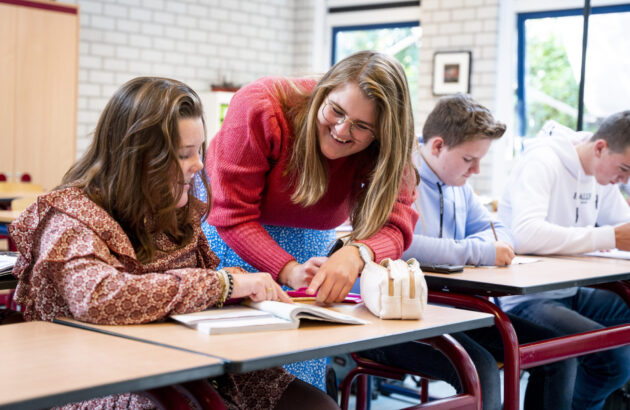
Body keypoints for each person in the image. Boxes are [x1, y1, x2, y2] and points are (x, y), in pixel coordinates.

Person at [9, 77, 337, 410]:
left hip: (184, 366)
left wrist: (245, 292)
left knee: (314, 405)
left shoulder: (174, 212)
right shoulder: (70, 215)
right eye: (183, 155)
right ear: (135, 158)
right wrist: (223, 284)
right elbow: (99, 296)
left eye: (198, 151)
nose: (198, 165)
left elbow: (192, 293)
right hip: (99, 377)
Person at [203, 50, 419, 388]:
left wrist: (355, 253)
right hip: (231, 243)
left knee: (296, 378)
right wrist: (287, 269)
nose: (342, 130)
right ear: (324, 90)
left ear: (382, 134)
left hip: (311, 254)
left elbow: (397, 221)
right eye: (335, 110)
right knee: (233, 373)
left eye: (362, 127)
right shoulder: (261, 105)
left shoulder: (391, 146)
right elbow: (231, 215)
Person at [359, 94, 576, 410]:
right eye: (468, 159)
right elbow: (402, 245)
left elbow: (499, 231)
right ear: (437, 146)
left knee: (558, 353)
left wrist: (484, 247)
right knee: (481, 368)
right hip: (394, 317)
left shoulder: (460, 185)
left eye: (480, 160)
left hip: (453, 310)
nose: (475, 170)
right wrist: (480, 252)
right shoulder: (398, 177)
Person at [498, 112, 630, 410]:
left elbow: (624, 227)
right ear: (600, 148)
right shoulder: (543, 161)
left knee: (614, 357)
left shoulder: (603, 176)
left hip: (569, 292)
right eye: (623, 169)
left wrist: (613, 236)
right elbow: (525, 234)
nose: (624, 181)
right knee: (613, 361)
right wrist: (606, 237)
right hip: (526, 298)